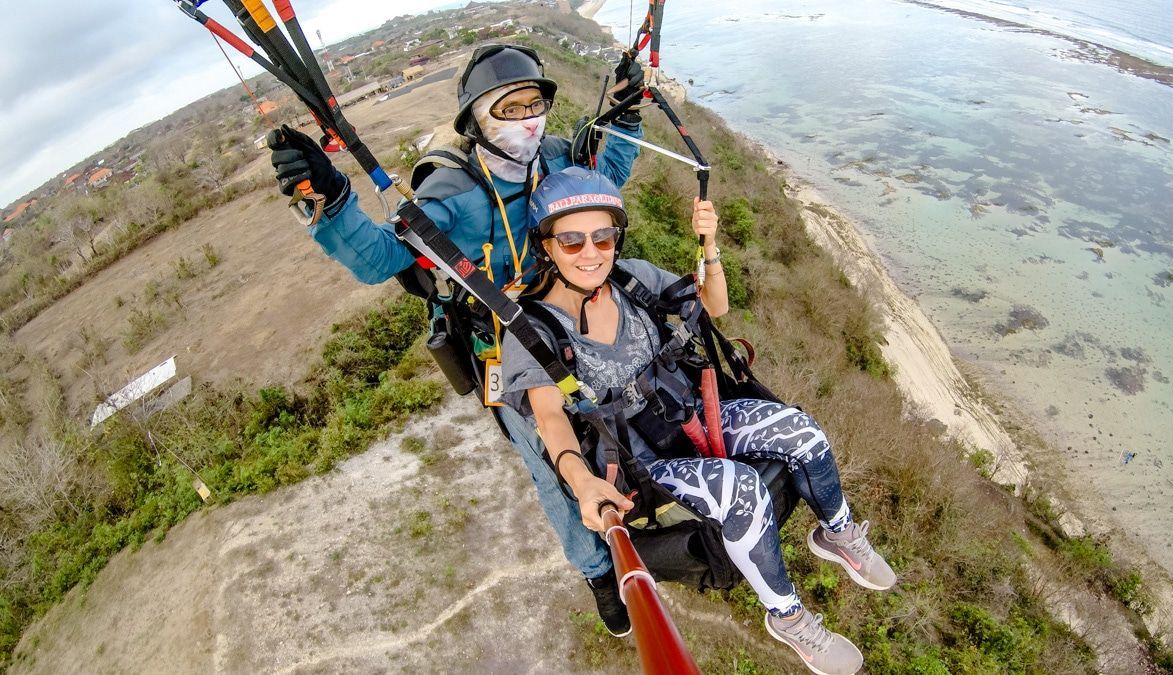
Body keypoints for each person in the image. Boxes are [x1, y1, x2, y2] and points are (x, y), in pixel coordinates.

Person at [266, 45, 645, 635]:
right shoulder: (452, 191)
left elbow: (604, 182)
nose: (528, 119)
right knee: (550, 463)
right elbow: (383, 258)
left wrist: (626, 115)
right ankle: (598, 573)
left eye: (535, 103)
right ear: (477, 119)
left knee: (630, 411)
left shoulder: (553, 155)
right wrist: (330, 199)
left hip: (577, 315)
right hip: (511, 342)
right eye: (509, 106)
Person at [500, 168, 897, 675]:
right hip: (637, 461)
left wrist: (709, 246)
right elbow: (550, 417)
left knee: (803, 431)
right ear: (547, 246)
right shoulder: (532, 329)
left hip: (687, 413)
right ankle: (790, 617)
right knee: (742, 489)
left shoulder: (632, 279)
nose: (591, 252)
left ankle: (837, 534)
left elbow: (716, 304)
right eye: (572, 241)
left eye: (603, 236)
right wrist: (581, 482)